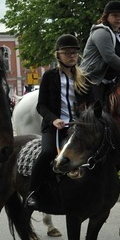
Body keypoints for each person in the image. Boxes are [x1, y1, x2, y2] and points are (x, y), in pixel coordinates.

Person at [25, 34, 93, 210]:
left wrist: (86, 114)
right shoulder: (49, 76)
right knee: (47, 153)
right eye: (67, 53)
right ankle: (32, 193)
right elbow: (41, 106)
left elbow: (91, 103)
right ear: (58, 55)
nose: (72, 56)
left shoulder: (83, 77)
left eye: (75, 53)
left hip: (77, 128)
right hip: (55, 127)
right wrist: (54, 119)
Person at [79, 0, 120, 104]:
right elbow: (110, 57)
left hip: (112, 81)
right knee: (98, 114)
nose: (118, 18)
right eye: (114, 15)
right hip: (93, 80)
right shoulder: (101, 32)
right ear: (106, 17)